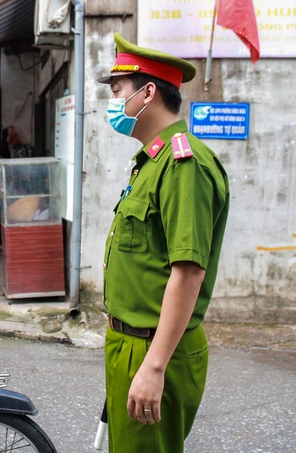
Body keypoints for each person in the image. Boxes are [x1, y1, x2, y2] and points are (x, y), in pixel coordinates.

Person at [98, 33, 230, 452]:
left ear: (147, 91)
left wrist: (153, 366)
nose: (114, 103)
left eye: (118, 91)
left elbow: (188, 272)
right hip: (130, 343)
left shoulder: (182, 165)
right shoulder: (150, 163)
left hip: (156, 349)